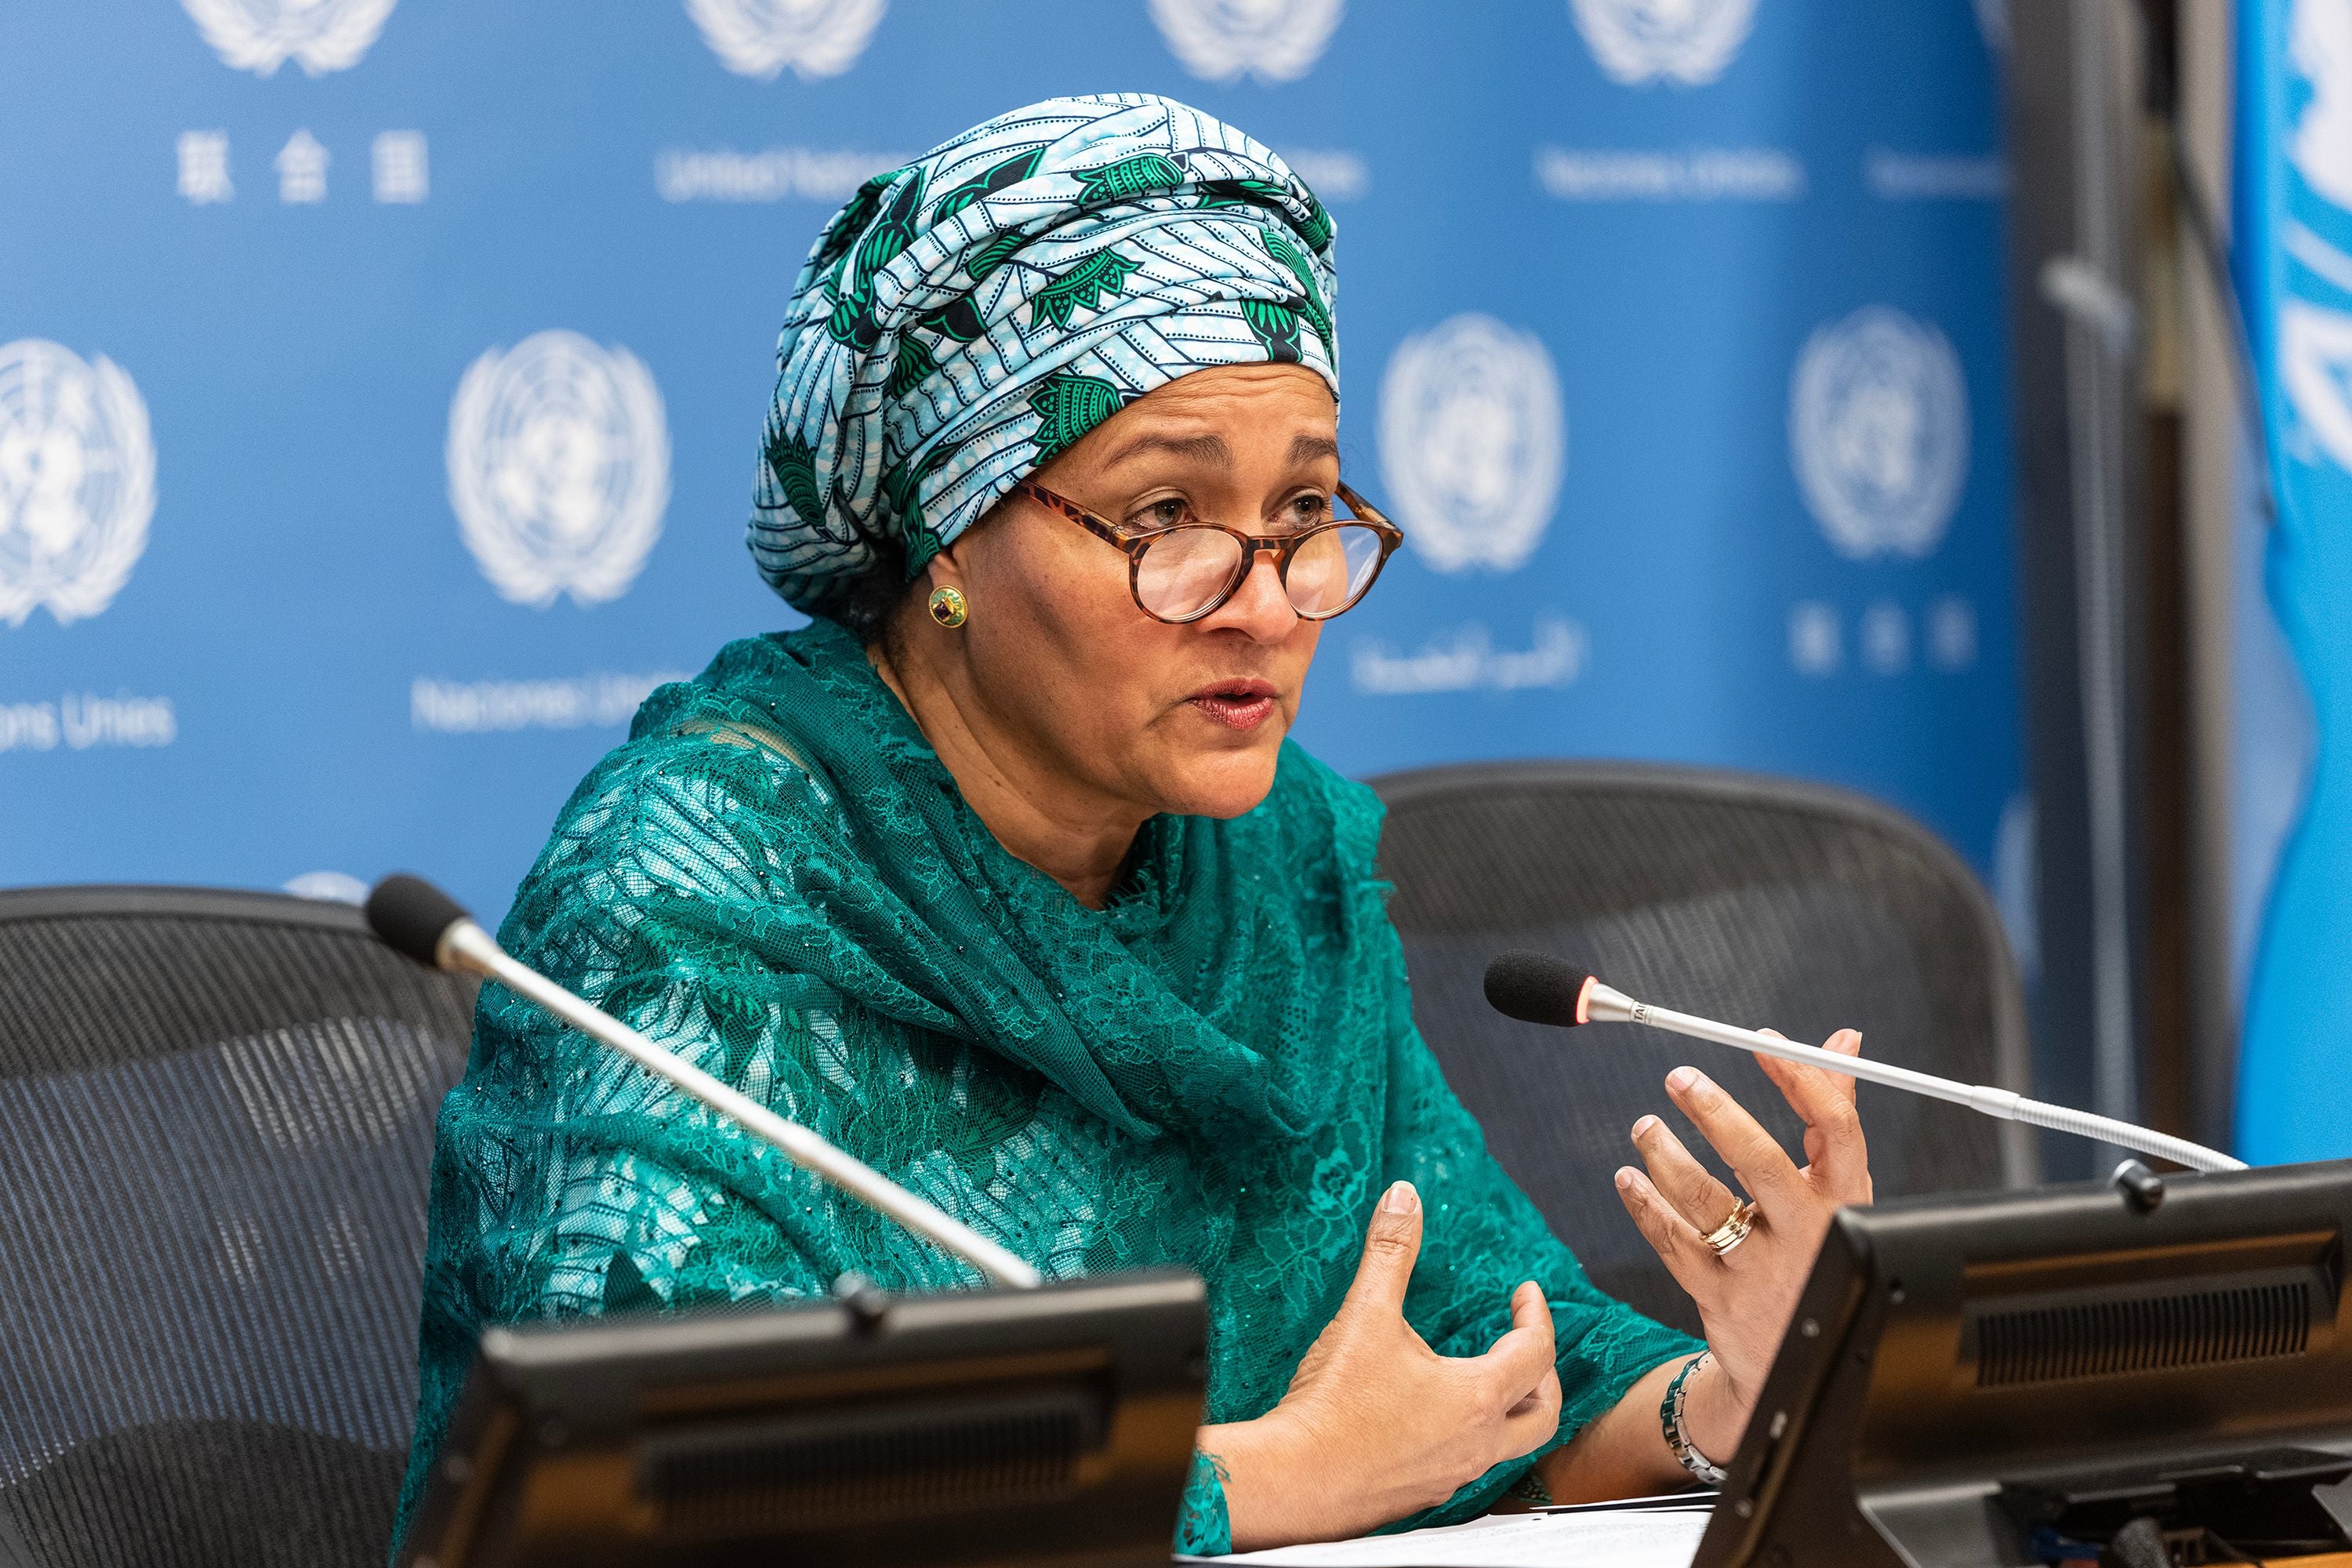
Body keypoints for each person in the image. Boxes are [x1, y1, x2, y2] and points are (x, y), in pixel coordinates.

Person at [392, 93, 1875, 1556]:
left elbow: (1492, 1374)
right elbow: (664, 1503)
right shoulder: (695, 890)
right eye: (1167, 515)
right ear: (953, 537)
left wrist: (1734, 1402)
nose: (1267, 600)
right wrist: (1264, 1484)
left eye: (1304, 513)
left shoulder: (1271, 856)